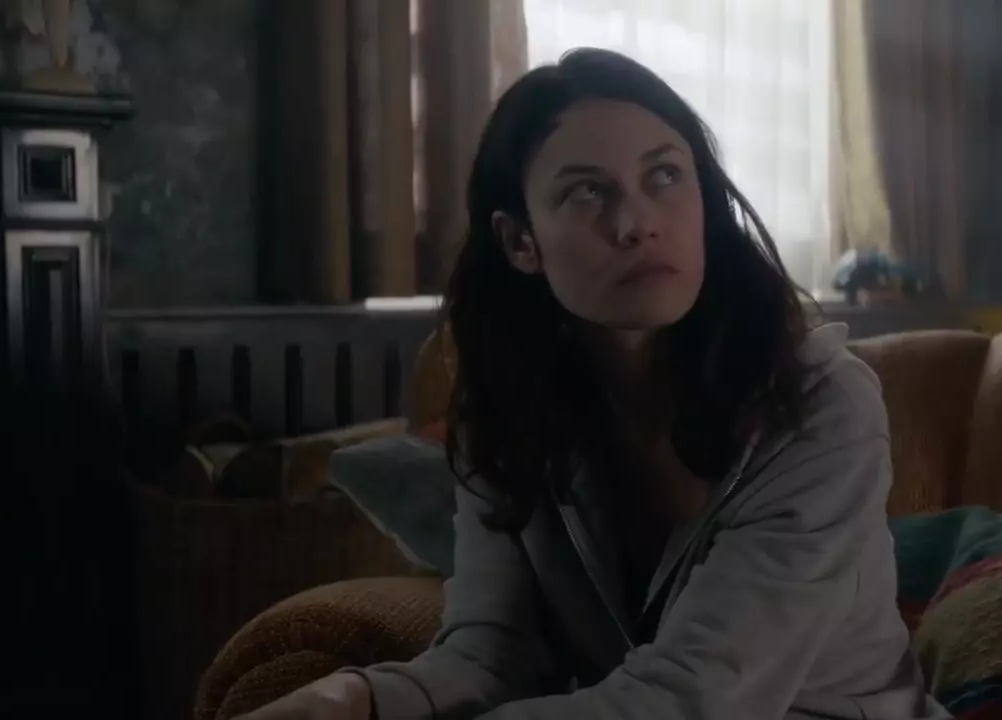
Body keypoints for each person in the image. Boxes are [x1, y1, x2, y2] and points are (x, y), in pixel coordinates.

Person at [240, 48, 948, 720]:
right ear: (521, 242)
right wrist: (356, 700)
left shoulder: (820, 404)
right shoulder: (510, 416)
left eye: (664, 176)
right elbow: (492, 655)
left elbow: (694, 702)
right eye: (587, 192)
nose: (636, 224)